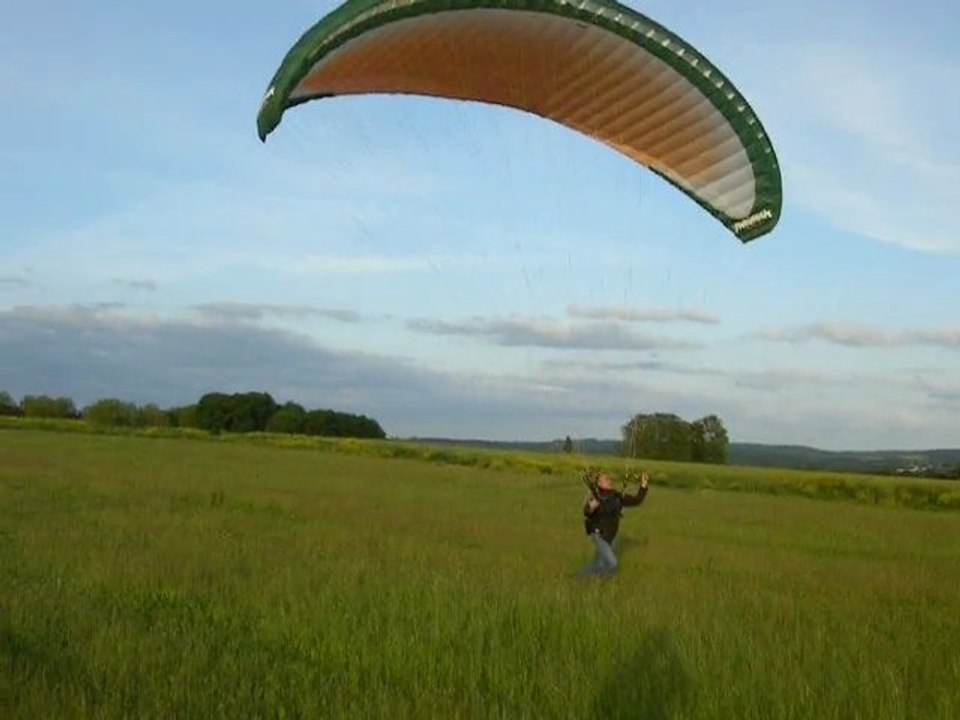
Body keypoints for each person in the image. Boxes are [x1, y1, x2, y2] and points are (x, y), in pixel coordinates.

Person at [578, 470, 649, 578]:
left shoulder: (617, 497)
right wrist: (591, 507)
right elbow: (587, 512)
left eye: (609, 479)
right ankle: (597, 580)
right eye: (606, 479)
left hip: (611, 535)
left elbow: (636, 500)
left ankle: (580, 578)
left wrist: (643, 485)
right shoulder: (596, 497)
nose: (609, 481)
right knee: (612, 563)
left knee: (599, 563)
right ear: (599, 484)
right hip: (599, 534)